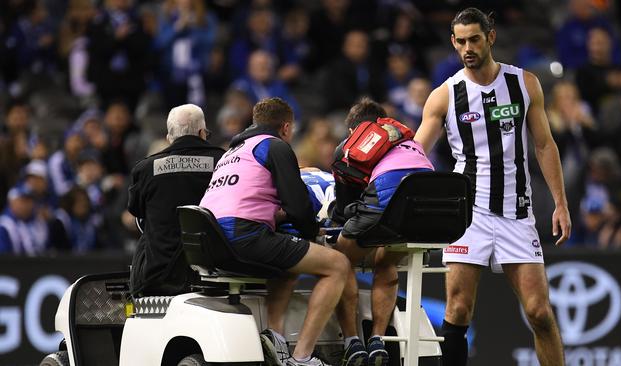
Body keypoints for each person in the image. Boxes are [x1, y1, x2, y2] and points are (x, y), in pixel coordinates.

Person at [414, 8, 571, 366]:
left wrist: (561, 203)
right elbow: (416, 153)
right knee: (458, 308)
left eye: (474, 39)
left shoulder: (524, 84)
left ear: (491, 37)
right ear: (453, 43)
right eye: (461, 41)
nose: (467, 48)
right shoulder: (445, 95)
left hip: (517, 212)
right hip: (468, 215)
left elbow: (545, 145)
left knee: (540, 312)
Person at [199, 97, 349, 366]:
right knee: (337, 265)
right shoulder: (275, 146)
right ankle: (302, 357)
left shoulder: (231, 152)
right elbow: (299, 207)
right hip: (244, 236)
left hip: (211, 239)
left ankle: (276, 339)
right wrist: (313, 233)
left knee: (288, 258)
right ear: (287, 128)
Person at [331, 98, 433, 366]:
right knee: (386, 259)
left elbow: (343, 211)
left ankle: (353, 342)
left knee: (340, 262)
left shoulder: (353, 144)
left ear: (353, 130)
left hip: (388, 200)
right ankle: (377, 339)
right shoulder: (404, 137)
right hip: (430, 205)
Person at [128, 104, 225, 296]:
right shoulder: (225, 162)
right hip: (216, 277)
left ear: (169, 138)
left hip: (159, 279)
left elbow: (136, 212)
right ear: (202, 132)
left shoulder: (145, 169)